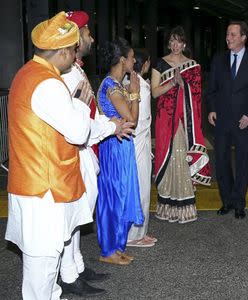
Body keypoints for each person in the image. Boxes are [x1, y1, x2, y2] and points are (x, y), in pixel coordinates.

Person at [5, 12, 92, 299]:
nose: (74, 54)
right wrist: (78, 103)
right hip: (44, 190)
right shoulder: (49, 84)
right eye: (73, 49)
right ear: (64, 51)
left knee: (45, 269)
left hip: (35, 185)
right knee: (41, 271)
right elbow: (79, 133)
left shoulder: (27, 73)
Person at [60, 10, 134, 297]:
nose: (91, 37)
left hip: (87, 148)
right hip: (76, 150)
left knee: (80, 212)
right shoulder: (68, 75)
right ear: (76, 39)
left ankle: (76, 266)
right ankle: (68, 275)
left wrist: (107, 127)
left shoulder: (76, 70)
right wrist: (109, 129)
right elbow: (76, 120)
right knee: (73, 213)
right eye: (87, 32)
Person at [206, 21, 248, 219]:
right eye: (227, 34)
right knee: (221, 161)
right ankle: (227, 201)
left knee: (243, 162)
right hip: (222, 119)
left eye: (232, 35)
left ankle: (239, 202)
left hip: (245, 120)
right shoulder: (219, 59)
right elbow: (212, 89)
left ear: (243, 37)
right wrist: (212, 109)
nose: (228, 38)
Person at [151, 26, 211, 223]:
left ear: (184, 43)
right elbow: (155, 92)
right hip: (165, 118)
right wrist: (173, 83)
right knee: (167, 157)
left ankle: (184, 206)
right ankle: (167, 205)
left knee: (182, 157)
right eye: (172, 41)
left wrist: (183, 84)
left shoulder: (193, 66)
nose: (176, 45)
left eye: (179, 41)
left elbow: (196, 97)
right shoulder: (160, 63)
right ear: (169, 43)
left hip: (185, 121)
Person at [96, 37, 144, 265]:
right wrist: (134, 93)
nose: (135, 60)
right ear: (123, 60)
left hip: (122, 147)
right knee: (114, 198)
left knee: (123, 196)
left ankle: (117, 246)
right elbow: (131, 119)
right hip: (114, 150)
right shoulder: (111, 87)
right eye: (132, 57)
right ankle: (108, 251)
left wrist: (131, 91)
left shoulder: (116, 85)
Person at [127, 49, 157, 245]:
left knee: (136, 187)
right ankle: (135, 235)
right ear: (145, 64)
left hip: (134, 141)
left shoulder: (129, 82)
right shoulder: (141, 88)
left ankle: (139, 231)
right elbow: (142, 120)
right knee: (141, 187)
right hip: (139, 143)